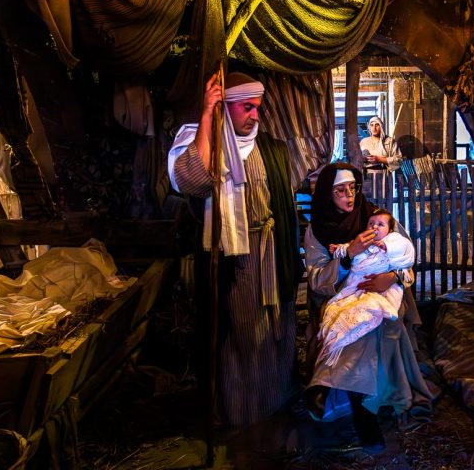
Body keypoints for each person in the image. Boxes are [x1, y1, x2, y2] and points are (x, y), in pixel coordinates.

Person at [167, 71, 299, 426]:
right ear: (225, 107)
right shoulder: (202, 143)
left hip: (272, 251)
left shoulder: (272, 148)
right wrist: (207, 116)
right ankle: (243, 412)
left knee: (276, 325)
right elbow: (195, 181)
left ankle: (276, 399)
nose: (255, 115)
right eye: (246, 108)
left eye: (257, 108)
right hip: (234, 255)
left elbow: (283, 205)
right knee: (242, 330)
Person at [303, 163, 433, 453]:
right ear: (327, 193)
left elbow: (406, 259)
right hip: (341, 294)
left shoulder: (377, 217)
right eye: (340, 190)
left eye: (353, 188)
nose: (349, 196)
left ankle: (330, 386)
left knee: (375, 317)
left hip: (385, 292)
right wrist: (348, 255)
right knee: (356, 326)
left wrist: (392, 277)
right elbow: (317, 280)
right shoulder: (317, 230)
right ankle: (364, 412)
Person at [319, 209, 415, 366]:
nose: (375, 227)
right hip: (355, 284)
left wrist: (391, 274)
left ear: (390, 230)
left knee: (379, 317)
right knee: (339, 309)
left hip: (384, 285)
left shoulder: (393, 239)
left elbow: (405, 251)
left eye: (380, 225)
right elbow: (348, 248)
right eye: (371, 224)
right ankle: (339, 342)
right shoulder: (361, 240)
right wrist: (341, 250)